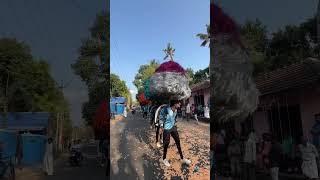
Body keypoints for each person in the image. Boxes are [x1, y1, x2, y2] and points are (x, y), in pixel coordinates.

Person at [161, 100, 191, 167]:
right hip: (166, 128)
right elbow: (161, 117)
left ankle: (182, 158)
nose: (180, 104)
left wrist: (174, 124)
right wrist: (161, 126)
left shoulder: (176, 111)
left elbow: (174, 118)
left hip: (173, 128)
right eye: (178, 103)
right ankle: (164, 159)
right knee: (166, 144)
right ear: (174, 104)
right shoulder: (166, 109)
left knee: (178, 142)